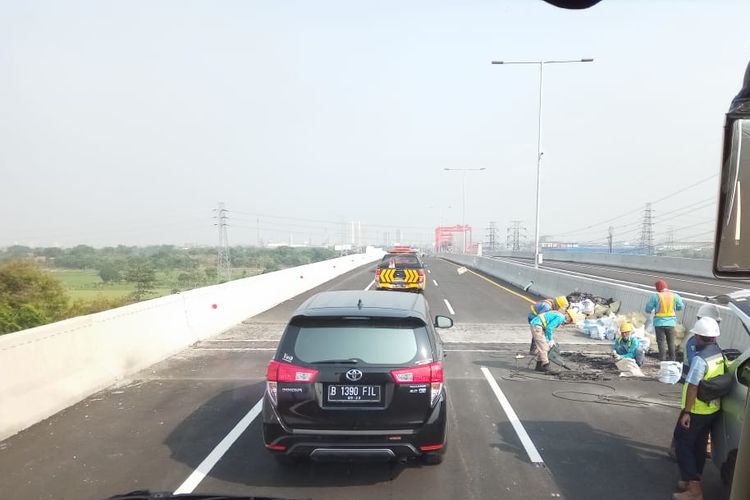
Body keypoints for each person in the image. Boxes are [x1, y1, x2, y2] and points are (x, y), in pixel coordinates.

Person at [671, 317, 725, 500]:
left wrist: (687, 412)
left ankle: (694, 489)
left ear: (700, 337)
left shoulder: (700, 360)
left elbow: (693, 386)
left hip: (696, 410)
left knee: (682, 444)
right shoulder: (719, 353)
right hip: (712, 410)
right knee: (699, 446)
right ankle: (693, 479)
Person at [669, 304, 723, 461]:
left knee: (696, 421)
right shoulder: (694, 342)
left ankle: (699, 445)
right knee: (686, 415)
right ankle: (675, 446)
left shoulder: (710, 340)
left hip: (704, 387)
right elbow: (696, 364)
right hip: (693, 383)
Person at [645, 279, 684, 361]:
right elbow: (680, 306)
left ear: (658, 288)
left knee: (661, 342)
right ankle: (672, 360)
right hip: (671, 323)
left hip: (659, 323)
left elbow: (648, 308)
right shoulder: (674, 296)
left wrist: (651, 311)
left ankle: (662, 360)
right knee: (671, 342)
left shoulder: (656, 296)